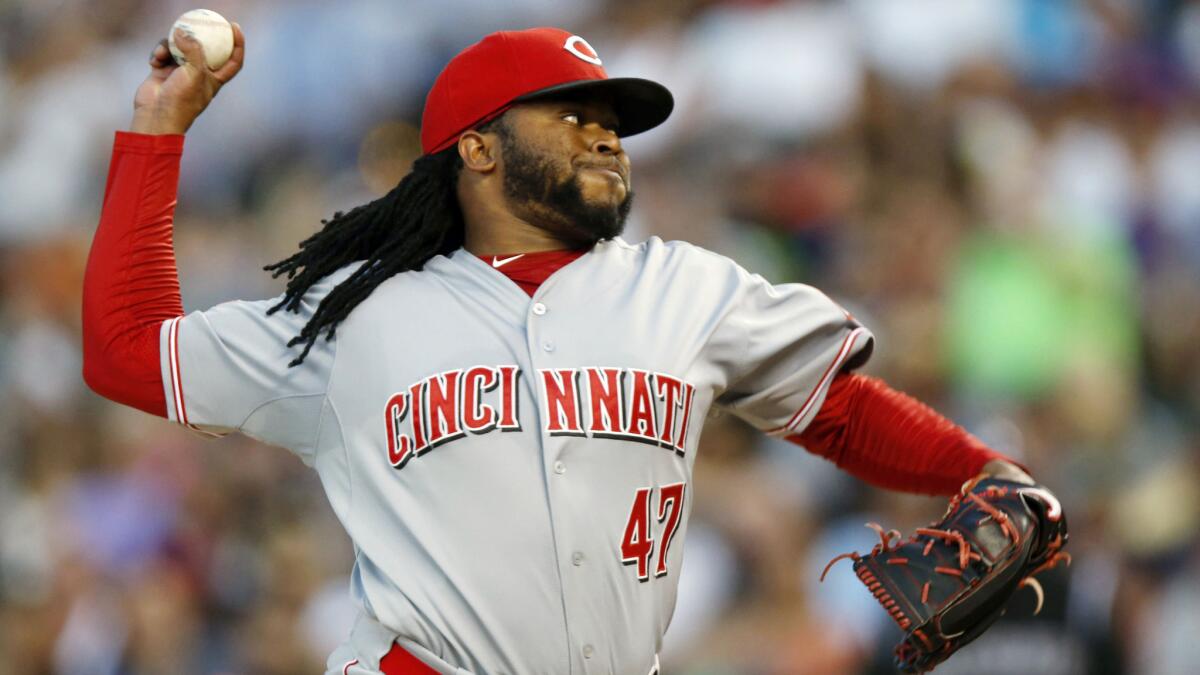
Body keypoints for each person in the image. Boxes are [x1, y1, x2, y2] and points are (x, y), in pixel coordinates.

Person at [83, 24, 1040, 675]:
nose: (606, 138)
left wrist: (987, 470)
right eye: (573, 113)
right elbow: (127, 349)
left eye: (613, 122)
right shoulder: (360, 315)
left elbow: (834, 408)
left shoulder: (688, 288)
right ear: (479, 148)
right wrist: (158, 131)